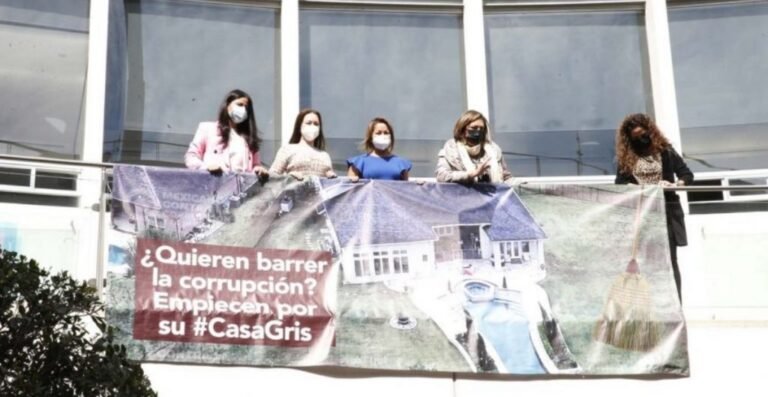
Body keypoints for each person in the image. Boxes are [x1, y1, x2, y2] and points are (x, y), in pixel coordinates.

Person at [615, 113, 694, 302]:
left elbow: (687, 175)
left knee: (670, 261)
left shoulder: (665, 151)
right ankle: (650, 305)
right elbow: (619, 183)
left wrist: (675, 184)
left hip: (666, 212)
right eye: (636, 136)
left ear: (650, 131)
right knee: (644, 262)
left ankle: (675, 305)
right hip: (641, 216)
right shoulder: (627, 156)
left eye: (644, 134)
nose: (642, 139)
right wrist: (637, 188)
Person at [185, 89, 268, 176]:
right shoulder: (208, 129)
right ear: (227, 105)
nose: (243, 109)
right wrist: (206, 167)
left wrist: (258, 169)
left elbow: (255, 165)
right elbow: (191, 157)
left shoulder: (249, 138)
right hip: (214, 185)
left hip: (241, 188)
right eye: (239, 105)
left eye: (246, 108)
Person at [435, 110, 513, 184]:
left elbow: (505, 178)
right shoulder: (451, 149)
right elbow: (441, 176)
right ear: (462, 129)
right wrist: (472, 174)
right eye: (474, 128)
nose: (478, 131)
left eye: (481, 129)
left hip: (493, 197)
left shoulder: (493, 150)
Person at [270, 109, 336, 179]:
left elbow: (332, 184)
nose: (312, 126)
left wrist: (332, 177)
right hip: (293, 189)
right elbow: (272, 176)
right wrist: (288, 178)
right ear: (299, 126)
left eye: (316, 124)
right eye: (308, 123)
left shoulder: (325, 156)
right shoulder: (287, 150)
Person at [347, 117, 412, 182]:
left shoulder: (401, 164)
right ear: (370, 137)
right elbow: (350, 187)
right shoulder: (359, 163)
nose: (383, 136)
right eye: (378, 133)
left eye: (386, 133)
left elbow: (407, 188)